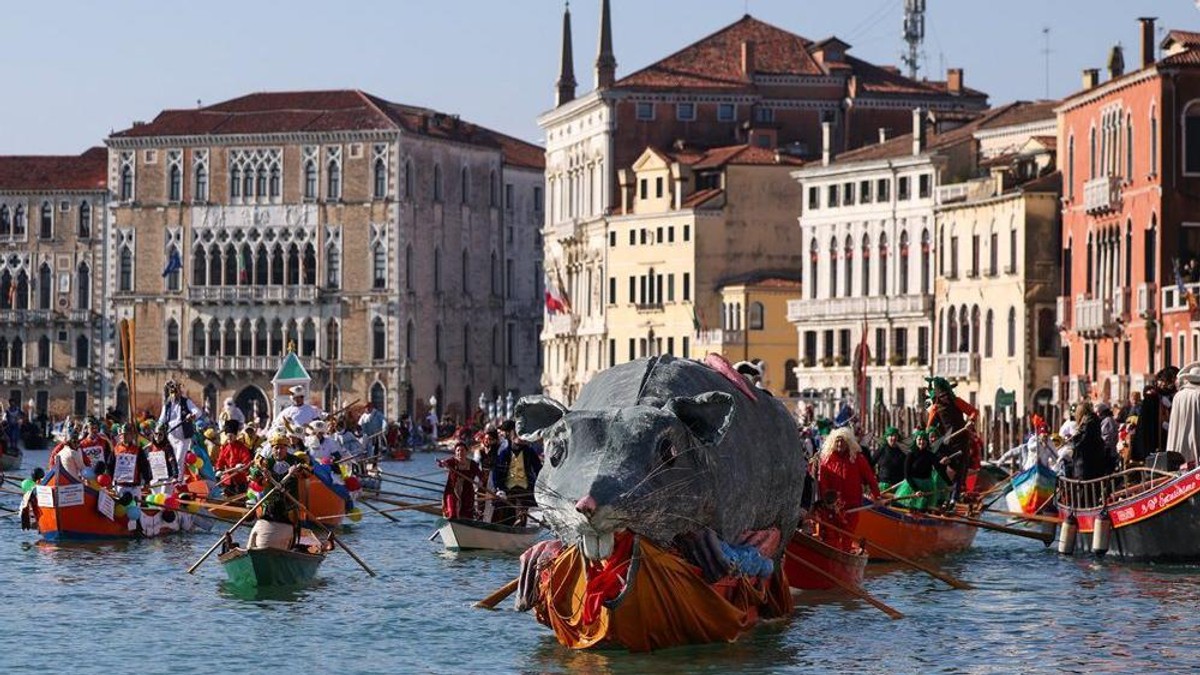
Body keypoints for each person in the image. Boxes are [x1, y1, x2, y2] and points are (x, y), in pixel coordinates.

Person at [815, 427, 881, 551]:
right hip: (831, 507)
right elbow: (822, 484)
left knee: (847, 536)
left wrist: (876, 497)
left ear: (848, 442)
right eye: (837, 441)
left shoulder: (857, 459)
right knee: (830, 537)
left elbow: (871, 479)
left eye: (843, 441)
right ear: (832, 443)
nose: (840, 444)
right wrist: (827, 502)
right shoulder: (826, 460)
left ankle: (844, 556)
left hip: (852, 506)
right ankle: (831, 560)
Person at [925, 376, 981, 501]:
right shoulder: (935, 408)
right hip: (948, 443)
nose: (945, 398)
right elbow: (929, 429)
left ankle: (954, 499)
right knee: (948, 471)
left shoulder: (957, 401)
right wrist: (932, 437)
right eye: (942, 396)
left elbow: (974, 412)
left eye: (946, 394)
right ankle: (944, 498)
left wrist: (970, 421)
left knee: (961, 471)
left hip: (963, 440)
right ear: (938, 396)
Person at [492, 419, 542, 526]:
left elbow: (538, 469)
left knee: (522, 508)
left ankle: (520, 522)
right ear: (512, 437)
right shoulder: (504, 453)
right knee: (504, 511)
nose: (521, 439)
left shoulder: (529, 452)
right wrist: (499, 488)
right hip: (508, 489)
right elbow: (497, 472)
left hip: (525, 488)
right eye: (517, 436)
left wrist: (541, 485)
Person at [893, 429, 950, 510]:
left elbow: (939, 469)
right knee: (908, 508)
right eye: (919, 439)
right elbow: (907, 475)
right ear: (915, 441)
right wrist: (916, 490)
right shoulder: (910, 455)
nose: (922, 442)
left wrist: (949, 484)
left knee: (923, 509)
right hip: (912, 486)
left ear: (927, 442)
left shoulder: (930, 455)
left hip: (927, 487)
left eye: (924, 439)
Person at [156, 380, 202, 477]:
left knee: (179, 459)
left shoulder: (186, 402)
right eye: (172, 393)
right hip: (171, 436)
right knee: (171, 459)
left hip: (183, 437)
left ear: (179, 392)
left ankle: (179, 480)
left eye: (175, 392)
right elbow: (162, 419)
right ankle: (174, 478)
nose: (173, 395)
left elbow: (198, 412)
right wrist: (158, 427)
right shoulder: (167, 405)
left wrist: (192, 415)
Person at [438, 440, 482, 519]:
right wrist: (442, 463)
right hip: (452, 491)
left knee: (467, 515)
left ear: (466, 452)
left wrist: (480, 482)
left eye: (462, 450)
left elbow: (480, 474)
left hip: (467, 492)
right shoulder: (452, 461)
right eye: (458, 450)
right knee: (452, 514)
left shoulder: (472, 464)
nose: (460, 452)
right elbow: (443, 463)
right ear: (455, 452)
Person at [1070, 402, 1110, 480]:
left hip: (1085, 466)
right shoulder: (1094, 421)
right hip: (1095, 464)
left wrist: (1074, 439)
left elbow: (1081, 443)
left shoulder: (1087, 424)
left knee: (1085, 490)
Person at [112, 424, 151, 499]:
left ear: (132, 436)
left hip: (134, 487)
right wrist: (110, 481)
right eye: (123, 434)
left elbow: (144, 466)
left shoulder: (138, 450)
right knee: (121, 509)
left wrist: (147, 481)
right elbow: (111, 466)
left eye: (128, 434)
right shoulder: (115, 449)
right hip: (120, 486)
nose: (125, 436)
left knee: (135, 508)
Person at [216, 419, 253, 495]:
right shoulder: (224, 447)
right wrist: (218, 469)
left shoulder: (242, 447)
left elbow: (247, 461)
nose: (229, 438)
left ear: (235, 436)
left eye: (231, 436)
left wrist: (242, 466)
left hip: (240, 480)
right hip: (228, 480)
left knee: (240, 502)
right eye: (228, 436)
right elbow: (220, 461)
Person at [870, 427, 907, 493]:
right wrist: (874, 477)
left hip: (898, 486)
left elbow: (906, 468)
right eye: (891, 435)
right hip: (883, 485)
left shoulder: (901, 452)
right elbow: (870, 465)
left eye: (895, 435)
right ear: (886, 437)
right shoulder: (881, 450)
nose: (893, 438)